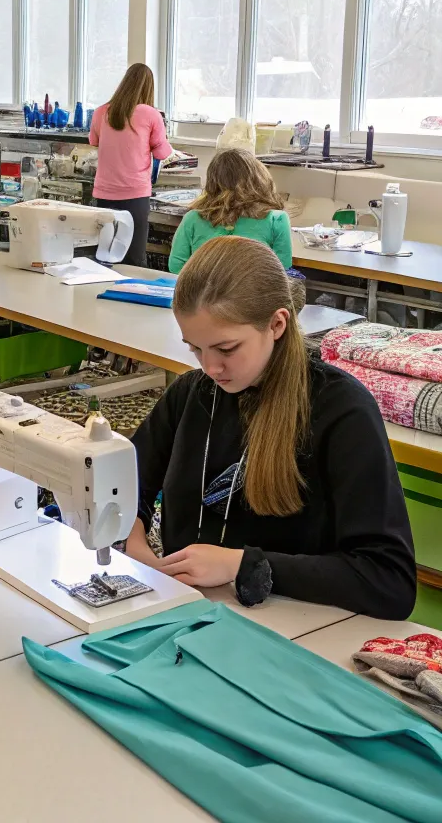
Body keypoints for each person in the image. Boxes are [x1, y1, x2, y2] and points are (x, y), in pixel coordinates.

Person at [124, 235, 416, 619]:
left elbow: (390, 580)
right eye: (195, 348)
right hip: (192, 616)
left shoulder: (340, 411)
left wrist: (241, 564)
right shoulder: (192, 394)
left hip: (294, 632)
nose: (210, 368)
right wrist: (134, 543)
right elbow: (127, 484)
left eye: (226, 349)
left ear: (277, 324)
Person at [89, 63, 171, 268]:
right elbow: (162, 152)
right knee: (134, 257)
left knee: (105, 252)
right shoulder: (151, 114)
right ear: (149, 88)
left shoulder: (101, 112)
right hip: (135, 194)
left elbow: (93, 141)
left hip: (104, 192)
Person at [168, 148, 292, 273]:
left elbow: (176, 266)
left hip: (204, 291)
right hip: (253, 291)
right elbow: (282, 269)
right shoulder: (277, 220)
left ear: (211, 184)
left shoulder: (193, 218)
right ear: (259, 178)